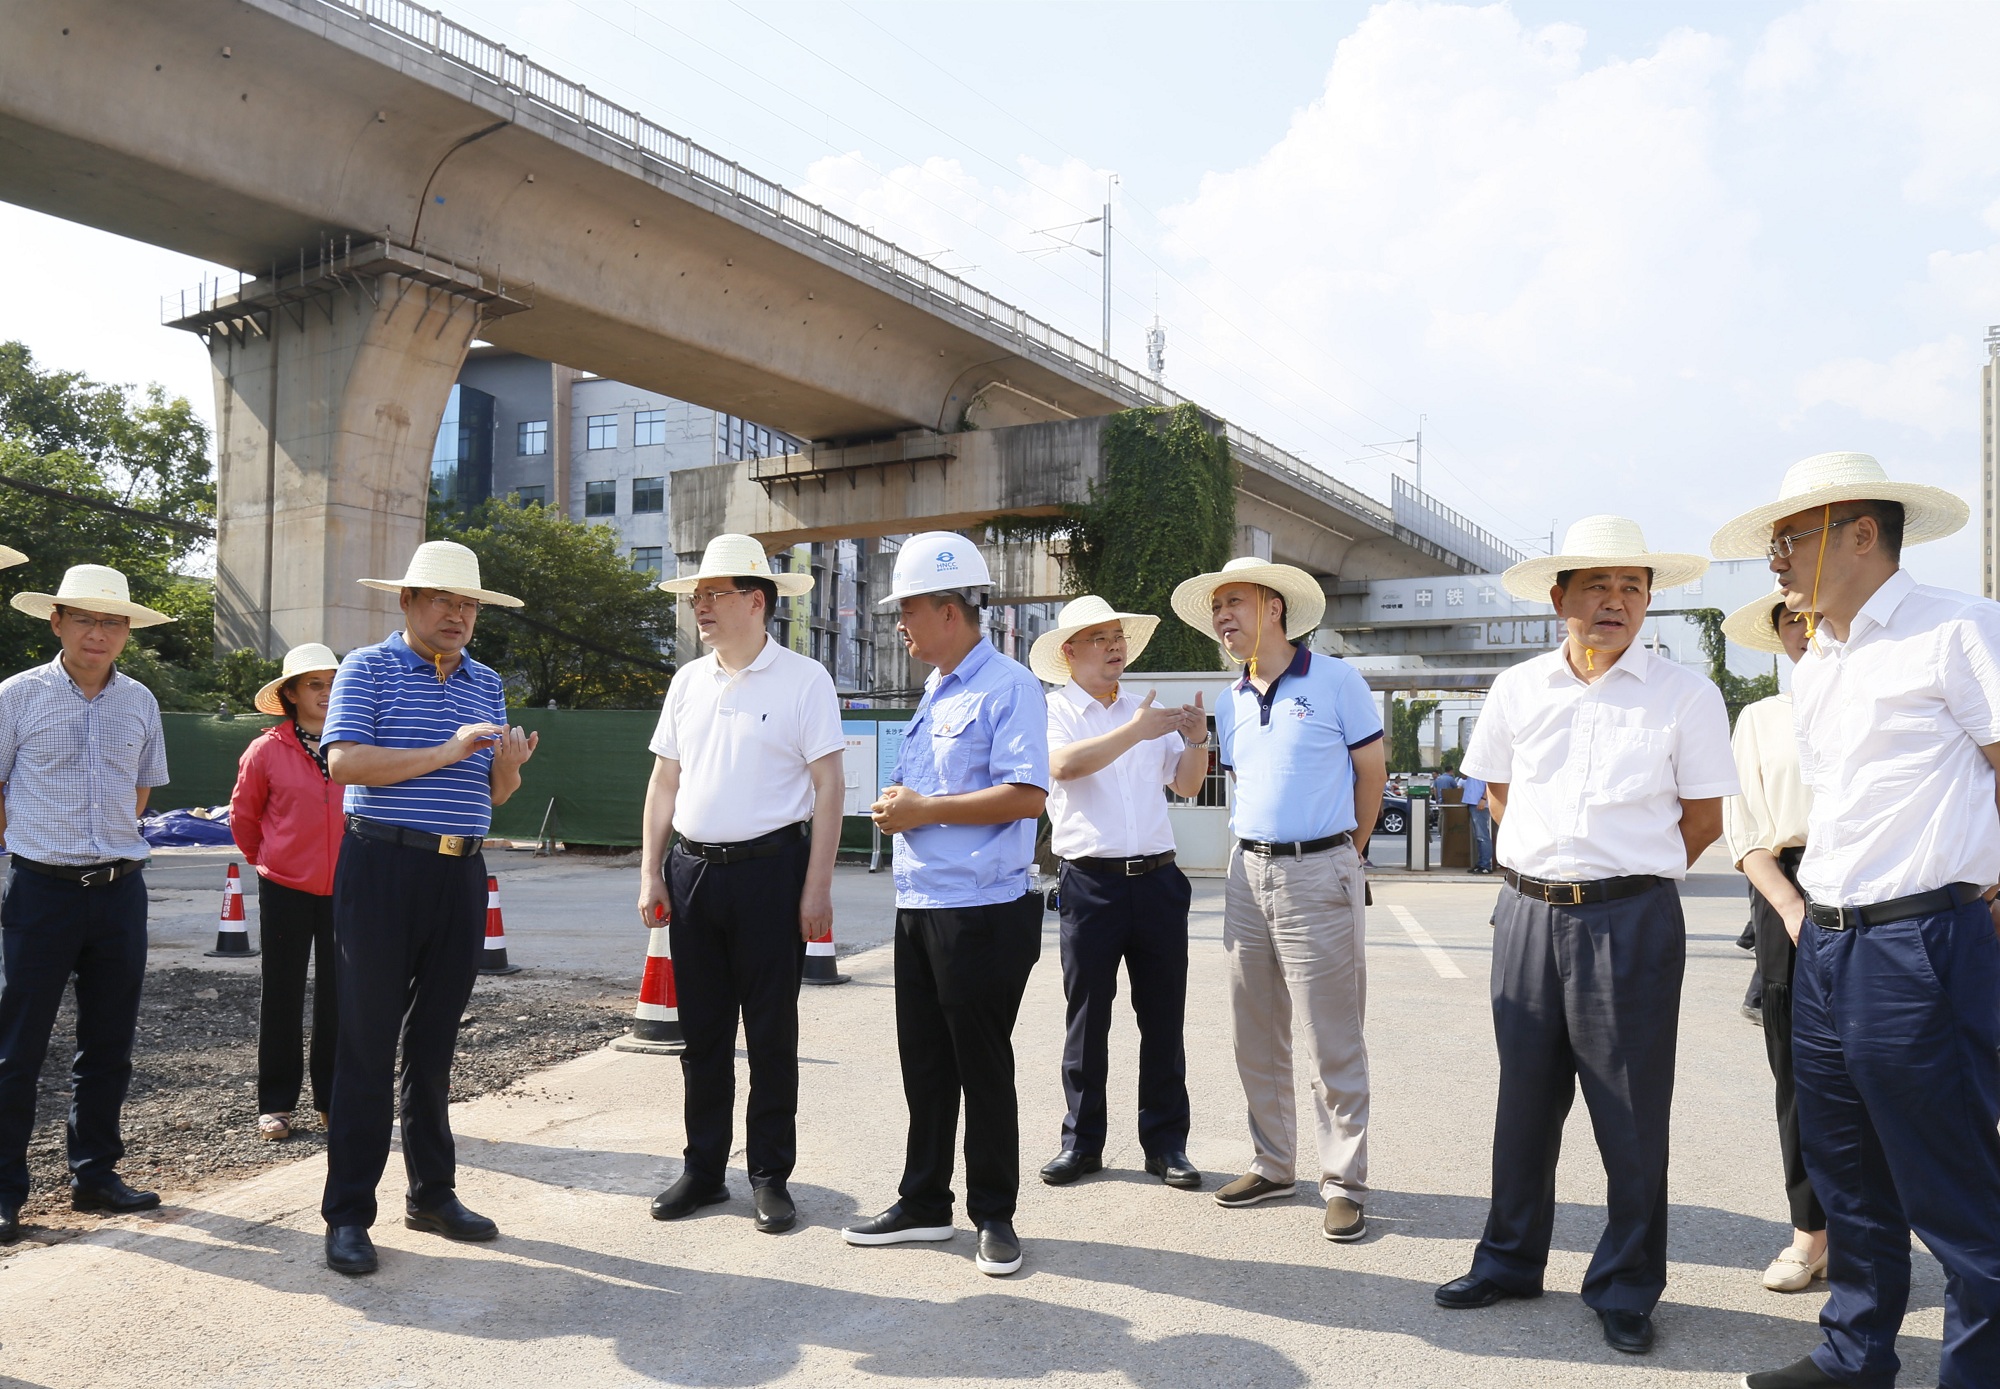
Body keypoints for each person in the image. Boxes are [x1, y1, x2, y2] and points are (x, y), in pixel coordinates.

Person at [1716, 454, 2000, 1389]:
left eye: (1790, 537)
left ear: (1862, 533)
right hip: (1829, 943)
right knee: (1847, 1173)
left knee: (1954, 1188)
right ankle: (1853, 1356)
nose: (1776, 559)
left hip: (1922, 940)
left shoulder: (1956, 629)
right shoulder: (1820, 659)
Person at [1435, 516, 1737, 1357]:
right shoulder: (1519, 688)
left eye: (1633, 588)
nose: (1617, 601)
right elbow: (1496, 791)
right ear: (1559, 597)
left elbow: (1704, 820)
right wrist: (1548, 872)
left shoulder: (1685, 695)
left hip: (1631, 920)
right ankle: (1507, 1259)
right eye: (1598, 586)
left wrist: (1620, 879)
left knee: (1632, 1113)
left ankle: (1627, 1283)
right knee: (1523, 1102)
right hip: (1528, 913)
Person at [317, 541, 538, 1277]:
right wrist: (446, 750)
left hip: (460, 870)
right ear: (407, 601)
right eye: (442, 599)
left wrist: (504, 771)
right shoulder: (366, 667)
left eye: (469, 603)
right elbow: (344, 762)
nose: (458, 613)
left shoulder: (488, 681)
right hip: (381, 864)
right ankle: (348, 1213)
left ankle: (432, 1193)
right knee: (367, 1043)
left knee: (436, 1044)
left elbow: (494, 794)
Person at [844, 533, 1047, 1278]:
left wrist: (924, 809)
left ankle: (995, 1213)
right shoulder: (938, 687)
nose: (899, 622)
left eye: (908, 609)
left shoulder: (1009, 686)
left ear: (948, 608)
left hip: (982, 910)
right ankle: (925, 1200)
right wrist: (904, 805)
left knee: (981, 1065)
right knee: (925, 1063)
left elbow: (1028, 794)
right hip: (921, 901)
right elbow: (928, 791)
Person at [1166, 555, 1386, 1243]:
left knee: (1331, 1034)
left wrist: (1351, 850)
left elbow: (1371, 772)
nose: (1222, 616)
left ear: (1275, 608)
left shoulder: (1336, 681)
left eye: (1234, 601)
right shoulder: (1229, 700)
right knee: (1253, 1029)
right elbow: (1225, 781)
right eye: (1216, 607)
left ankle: (1344, 1180)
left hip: (1319, 868)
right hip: (1245, 870)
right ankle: (1272, 1162)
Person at [640, 535, 846, 1236]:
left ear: (755, 601)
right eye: (696, 595)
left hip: (771, 873)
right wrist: (650, 869)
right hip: (693, 872)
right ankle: (703, 1170)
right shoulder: (688, 681)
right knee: (700, 1036)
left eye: (713, 593)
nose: (699, 605)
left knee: (770, 1033)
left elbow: (829, 786)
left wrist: (817, 887)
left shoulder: (804, 679)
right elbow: (664, 780)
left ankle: (769, 1176)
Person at [0, 563, 169, 1243]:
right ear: (57, 621)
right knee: (17, 1046)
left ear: (127, 631)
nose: (99, 632)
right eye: (85, 618)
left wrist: (106, 848)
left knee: (109, 1042)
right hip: (42, 890)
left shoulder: (141, 702)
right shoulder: (16, 695)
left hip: (121, 891)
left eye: (112, 620)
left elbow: (140, 791)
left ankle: (95, 1174)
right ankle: (5, 1190)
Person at [1028, 595, 1209, 1191]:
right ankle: (1081, 1144)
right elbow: (1064, 768)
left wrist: (1196, 742)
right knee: (1088, 1018)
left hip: (1157, 879)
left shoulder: (1144, 709)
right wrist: (1135, 732)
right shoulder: (1053, 710)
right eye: (1099, 637)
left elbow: (1183, 786)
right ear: (1068, 651)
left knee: (1163, 1017)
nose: (1114, 647)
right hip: (1091, 884)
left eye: (1118, 637)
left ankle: (1167, 1145)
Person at [1719, 591, 1826, 1294]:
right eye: (1792, 618)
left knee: (1894, 1070)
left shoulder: (1887, 694)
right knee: (1800, 1072)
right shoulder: (1761, 718)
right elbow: (1745, 825)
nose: (1805, 627)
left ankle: (1879, 1227)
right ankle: (1811, 1233)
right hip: (1787, 886)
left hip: (1883, 883)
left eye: (1815, 614)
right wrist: (1787, 906)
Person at [229, 643, 345, 1144]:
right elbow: (244, 817)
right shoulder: (266, 749)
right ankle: (275, 1105)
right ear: (291, 694)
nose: (325, 692)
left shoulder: (359, 743)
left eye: (332, 682)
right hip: (283, 888)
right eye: (314, 684)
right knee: (282, 994)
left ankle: (332, 1100)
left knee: (342, 997)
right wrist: (269, 862)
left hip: (350, 890)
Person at [1462, 771, 1494, 874]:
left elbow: (1491, 783)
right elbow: (1463, 776)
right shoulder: (1473, 766)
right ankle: (1481, 863)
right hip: (1473, 801)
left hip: (1479, 803)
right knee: (1479, 835)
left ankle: (1485, 864)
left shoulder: (1485, 764)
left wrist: (1484, 798)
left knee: (1482, 835)